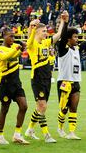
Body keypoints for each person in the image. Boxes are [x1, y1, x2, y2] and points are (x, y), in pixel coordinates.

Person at [24, 15, 66, 143]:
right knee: (42, 106)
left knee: (41, 107)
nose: (46, 33)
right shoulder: (32, 44)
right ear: (36, 32)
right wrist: (31, 26)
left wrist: (63, 21)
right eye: (43, 31)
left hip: (47, 77)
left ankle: (30, 129)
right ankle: (46, 134)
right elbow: (29, 38)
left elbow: (58, 35)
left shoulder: (46, 43)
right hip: (37, 77)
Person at [56, 12, 86, 140]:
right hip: (64, 82)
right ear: (69, 38)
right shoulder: (63, 50)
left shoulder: (76, 49)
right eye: (75, 37)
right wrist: (66, 23)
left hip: (76, 82)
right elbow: (63, 37)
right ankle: (60, 128)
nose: (77, 39)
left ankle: (72, 132)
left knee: (74, 108)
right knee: (64, 109)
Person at [0, 28, 29, 145]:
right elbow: (6, 57)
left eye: (14, 37)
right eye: (10, 36)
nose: (13, 39)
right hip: (4, 83)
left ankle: (17, 134)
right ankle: (0, 135)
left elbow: (22, 51)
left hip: (16, 82)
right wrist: (17, 48)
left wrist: (24, 46)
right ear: (4, 36)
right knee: (4, 108)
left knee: (24, 106)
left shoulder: (14, 46)